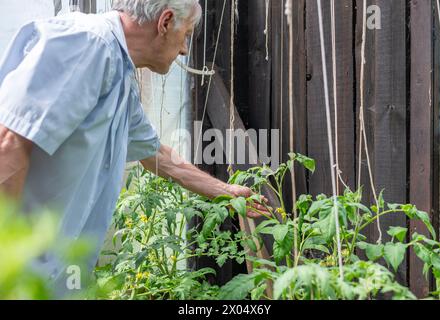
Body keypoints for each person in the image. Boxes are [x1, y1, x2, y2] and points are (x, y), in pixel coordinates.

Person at [0, 0, 267, 296]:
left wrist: (227, 193)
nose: (183, 50)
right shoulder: (89, 46)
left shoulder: (117, 70)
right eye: (186, 35)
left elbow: (156, 154)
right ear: (165, 22)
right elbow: (9, 144)